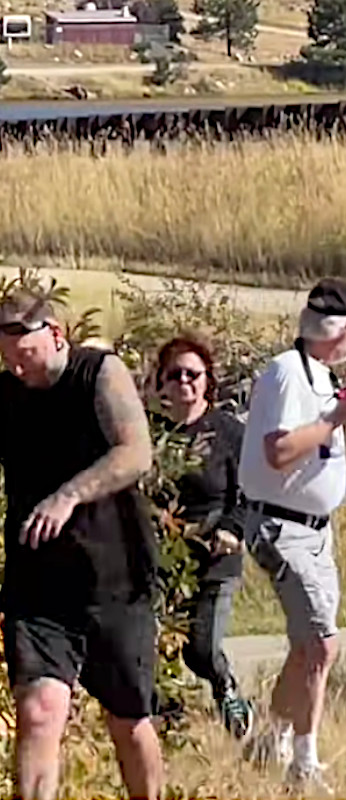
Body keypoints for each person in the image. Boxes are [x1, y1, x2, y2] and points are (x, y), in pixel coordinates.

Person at [238, 278, 346, 793]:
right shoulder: (286, 374)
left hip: (316, 529)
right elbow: (279, 451)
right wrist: (338, 414)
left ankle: (271, 736)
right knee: (322, 645)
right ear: (341, 331)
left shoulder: (322, 377)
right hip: (281, 526)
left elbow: (325, 455)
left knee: (307, 643)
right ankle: (303, 762)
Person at [0, 287, 164, 800]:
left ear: (55, 334)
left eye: (24, 356)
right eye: (6, 360)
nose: (18, 370)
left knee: (129, 720)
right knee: (39, 711)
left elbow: (136, 452)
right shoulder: (6, 394)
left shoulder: (98, 374)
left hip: (114, 582)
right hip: (39, 587)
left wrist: (68, 495)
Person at [152, 334, 254, 741]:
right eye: (173, 375)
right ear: (160, 382)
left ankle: (226, 686)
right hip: (162, 558)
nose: (183, 382)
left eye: (192, 374)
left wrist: (232, 529)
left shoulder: (228, 431)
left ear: (207, 380)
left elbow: (251, 492)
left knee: (201, 646)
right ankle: (168, 713)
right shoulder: (150, 432)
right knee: (153, 639)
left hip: (215, 555)